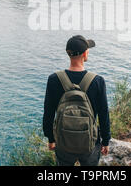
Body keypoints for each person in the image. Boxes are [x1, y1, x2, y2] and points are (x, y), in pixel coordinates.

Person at [43, 35, 111, 166]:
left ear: (68, 53)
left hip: (63, 142)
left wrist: (51, 138)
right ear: (85, 53)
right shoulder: (97, 81)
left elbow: (48, 113)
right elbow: (104, 114)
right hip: (90, 143)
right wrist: (106, 140)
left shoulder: (54, 79)